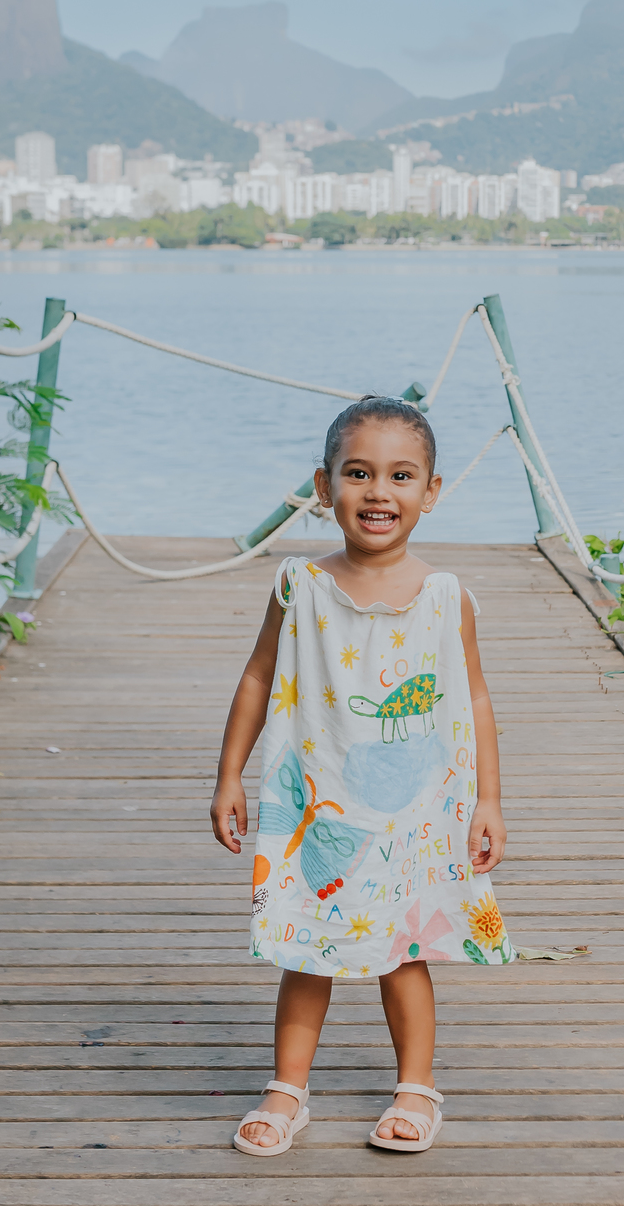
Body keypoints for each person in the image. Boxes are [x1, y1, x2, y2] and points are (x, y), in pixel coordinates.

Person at [211, 393, 512, 1158]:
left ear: (430, 492)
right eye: (358, 473)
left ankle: (416, 1087)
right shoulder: (298, 587)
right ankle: (287, 1090)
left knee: (403, 952)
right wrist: (230, 777)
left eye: (401, 476)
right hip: (318, 802)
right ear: (324, 486)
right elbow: (255, 679)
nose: (379, 492)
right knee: (303, 948)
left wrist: (489, 801)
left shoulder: (447, 598)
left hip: (413, 812)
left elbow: (474, 696)